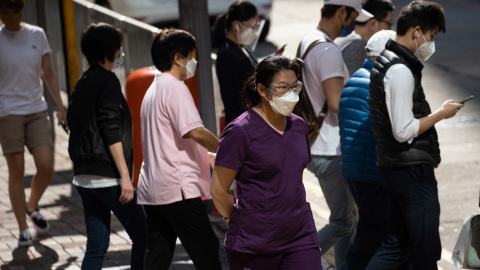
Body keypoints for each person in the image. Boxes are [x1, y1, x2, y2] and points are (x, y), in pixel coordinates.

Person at [366, 1, 464, 269]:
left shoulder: (387, 60)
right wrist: (441, 114)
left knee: (398, 245)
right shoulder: (399, 70)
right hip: (409, 172)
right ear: (416, 31)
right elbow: (403, 131)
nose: (430, 44)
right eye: (430, 36)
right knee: (423, 250)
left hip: (395, 166)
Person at [211, 55, 322, 269]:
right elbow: (218, 190)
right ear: (262, 90)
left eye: (294, 87)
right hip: (255, 242)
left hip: (300, 235)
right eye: (282, 88)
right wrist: (235, 219)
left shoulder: (298, 126)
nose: (290, 94)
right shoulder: (240, 131)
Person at [137, 28, 222, 270]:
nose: (192, 62)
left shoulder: (153, 90)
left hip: (155, 188)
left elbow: (167, 142)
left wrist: (206, 156)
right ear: (177, 58)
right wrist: (228, 147)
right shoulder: (175, 88)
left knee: (158, 256)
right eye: (190, 56)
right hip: (178, 188)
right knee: (207, 250)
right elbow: (194, 131)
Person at [67, 22, 147, 270]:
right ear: (108, 50)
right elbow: (110, 130)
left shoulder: (83, 81)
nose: (120, 52)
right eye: (118, 48)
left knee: (97, 245)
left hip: (84, 178)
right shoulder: (107, 81)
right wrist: (125, 177)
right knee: (143, 235)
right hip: (108, 177)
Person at [299, 0, 372, 267]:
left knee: (348, 218)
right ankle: (294, 260)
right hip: (329, 149)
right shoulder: (328, 50)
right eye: (352, 16)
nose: (352, 24)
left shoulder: (309, 40)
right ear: (342, 12)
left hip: (317, 144)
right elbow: (336, 102)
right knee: (343, 221)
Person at [0, 0, 67, 247]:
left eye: (14, 11)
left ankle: (32, 205)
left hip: (36, 110)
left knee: (46, 165)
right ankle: (22, 228)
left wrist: (60, 108)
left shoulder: (36, 34)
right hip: (7, 113)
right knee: (16, 171)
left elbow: (47, 73)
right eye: (4, 12)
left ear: (22, 10)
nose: (9, 17)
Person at [338, 30, 397, 270]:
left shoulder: (356, 77)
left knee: (378, 235)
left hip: (355, 171)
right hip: (372, 172)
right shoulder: (378, 82)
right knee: (370, 241)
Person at [213, 0, 260, 126]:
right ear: (236, 24)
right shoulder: (227, 54)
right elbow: (233, 98)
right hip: (244, 125)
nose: (254, 31)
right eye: (251, 25)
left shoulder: (241, 47)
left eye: (256, 26)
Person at [335, 0, 394, 76]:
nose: (390, 30)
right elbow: (352, 85)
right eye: (389, 24)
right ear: (373, 24)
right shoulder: (358, 45)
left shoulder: (346, 39)